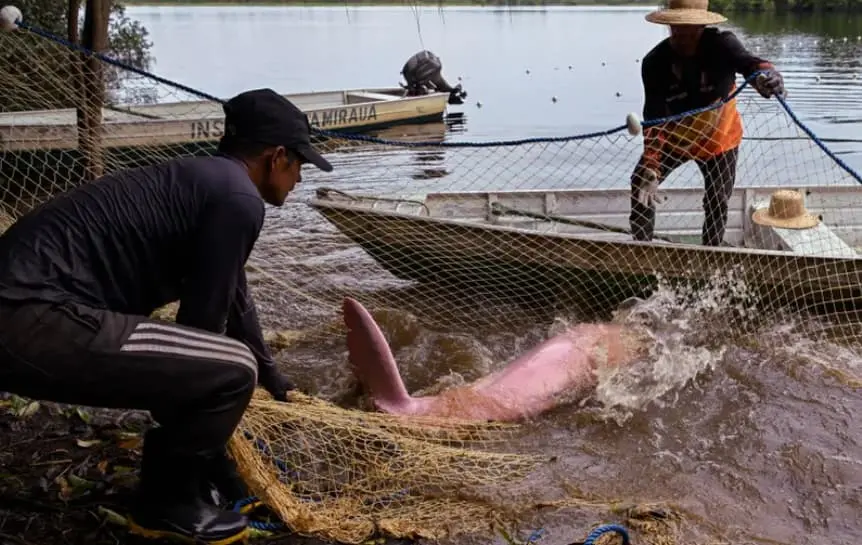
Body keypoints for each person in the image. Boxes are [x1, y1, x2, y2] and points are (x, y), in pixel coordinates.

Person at [0, 88, 333, 544]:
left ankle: (182, 485)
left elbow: (235, 297)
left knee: (233, 366)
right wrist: (216, 448)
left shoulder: (209, 182)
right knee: (232, 369)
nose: (298, 179)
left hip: (26, 312)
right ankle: (167, 506)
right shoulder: (240, 200)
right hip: (29, 318)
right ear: (277, 158)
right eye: (300, 165)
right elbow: (202, 331)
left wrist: (276, 381)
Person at [630, 0, 786, 247]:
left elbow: (752, 66)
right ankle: (641, 249)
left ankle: (711, 254)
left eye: (690, 28)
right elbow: (654, 118)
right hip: (675, 138)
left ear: (702, 25)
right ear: (669, 25)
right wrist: (651, 165)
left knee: (717, 199)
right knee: (640, 182)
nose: (683, 35)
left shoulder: (723, 45)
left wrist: (769, 78)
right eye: (677, 27)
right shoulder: (655, 62)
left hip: (719, 137)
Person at [342, 297, 649, 422]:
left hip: (556, 356)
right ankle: (399, 406)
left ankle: (394, 401)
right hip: (526, 391)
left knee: (483, 394)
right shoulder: (610, 349)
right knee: (496, 404)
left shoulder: (585, 333)